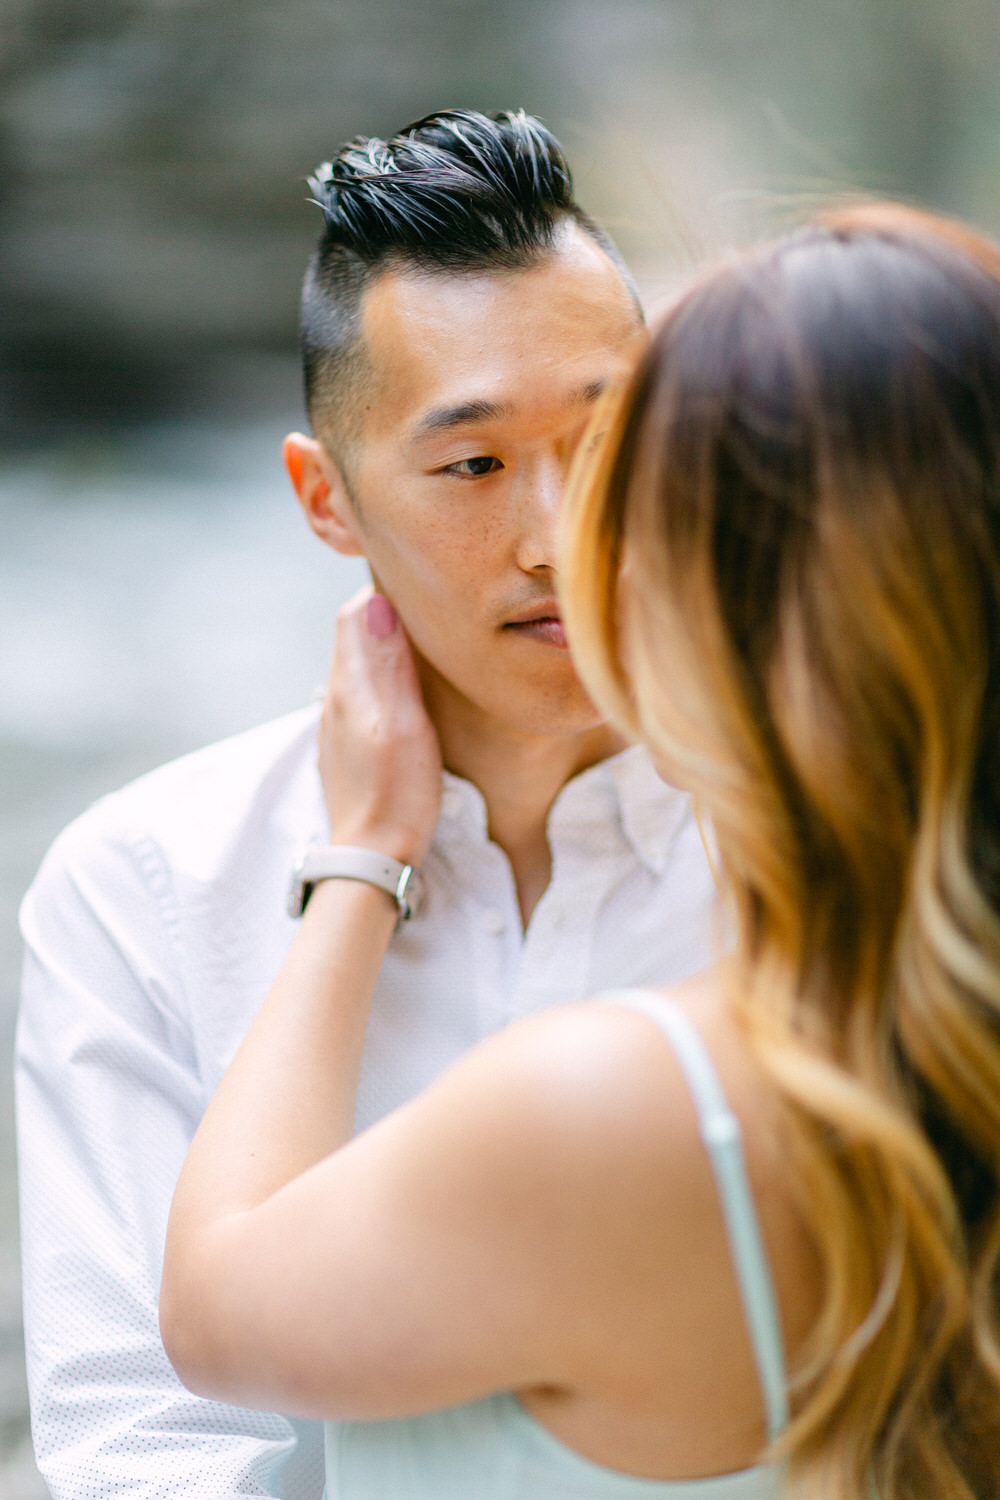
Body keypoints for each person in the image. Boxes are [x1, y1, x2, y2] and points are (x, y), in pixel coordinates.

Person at [159, 200, 1000, 1499]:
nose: (563, 548)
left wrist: (363, 860)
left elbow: (216, 1312)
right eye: (477, 465)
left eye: (617, 470)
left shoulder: (620, 1112)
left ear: (721, 605)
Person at [16, 110, 718, 1499]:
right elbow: (139, 1447)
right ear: (323, 499)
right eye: (474, 465)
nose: (560, 531)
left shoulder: (824, 833)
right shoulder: (147, 884)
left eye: (610, 435)